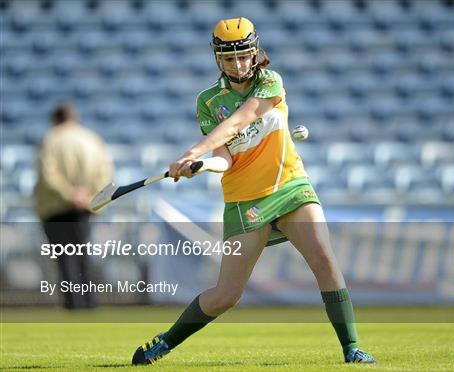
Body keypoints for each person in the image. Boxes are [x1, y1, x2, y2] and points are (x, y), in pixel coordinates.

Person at [132, 17, 376, 365]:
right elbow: (225, 160)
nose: (238, 64)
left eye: (244, 56)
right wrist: (198, 167)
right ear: (218, 58)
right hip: (245, 200)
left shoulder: (271, 81)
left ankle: (352, 348)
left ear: (255, 51)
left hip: (290, 187)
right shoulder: (208, 101)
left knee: (324, 259)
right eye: (229, 59)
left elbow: (240, 120)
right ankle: (165, 342)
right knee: (226, 295)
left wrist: (191, 153)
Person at [35, 103, 113, 309]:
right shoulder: (92, 138)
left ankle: (74, 304)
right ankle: (90, 303)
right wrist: (89, 197)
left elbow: (48, 174)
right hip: (86, 208)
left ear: (55, 120)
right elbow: (104, 171)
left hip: (56, 208)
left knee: (65, 257)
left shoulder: (51, 139)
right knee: (83, 254)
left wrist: (70, 194)